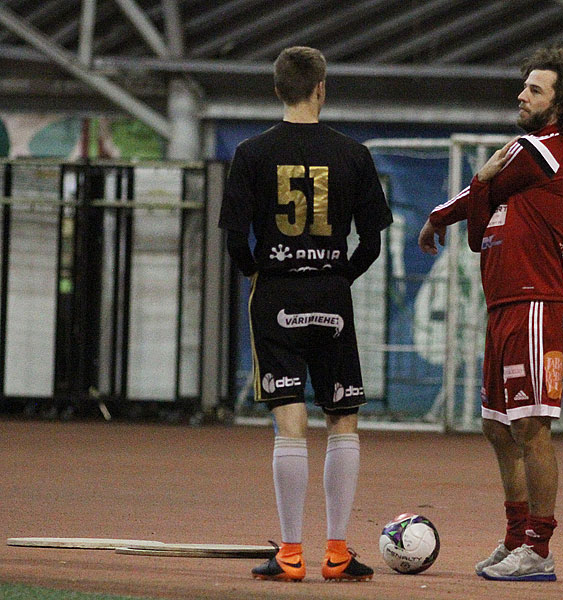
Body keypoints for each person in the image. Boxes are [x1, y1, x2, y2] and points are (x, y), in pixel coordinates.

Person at [418, 47, 563, 582]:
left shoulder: (542, 149)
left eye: (535, 90)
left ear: (559, 105)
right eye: (525, 87)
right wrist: (480, 182)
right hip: (502, 310)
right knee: (497, 428)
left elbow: (472, 197)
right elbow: (476, 232)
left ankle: (539, 549)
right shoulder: (515, 172)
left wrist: (435, 216)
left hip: (535, 307)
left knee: (532, 427)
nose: (522, 95)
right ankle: (516, 536)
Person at [219, 46, 392, 583]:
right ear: (322, 88)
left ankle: (291, 553)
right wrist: (339, 276)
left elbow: (233, 236)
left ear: (278, 90)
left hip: (276, 297)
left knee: (288, 420)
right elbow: (373, 239)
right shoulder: (353, 154)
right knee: (343, 417)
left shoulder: (250, 153)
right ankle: (336, 553)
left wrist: (260, 272)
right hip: (331, 298)